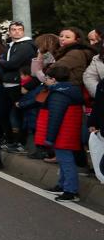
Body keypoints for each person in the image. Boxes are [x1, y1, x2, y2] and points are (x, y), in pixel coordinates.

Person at [38, 65, 84, 202]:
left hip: (62, 131)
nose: (45, 80)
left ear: (53, 79)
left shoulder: (58, 94)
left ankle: (71, 191)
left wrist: (49, 138)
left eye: (47, 78)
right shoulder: (72, 89)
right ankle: (62, 185)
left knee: (66, 161)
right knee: (65, 159)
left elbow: (55, 117)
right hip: (69, 129)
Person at [0, 21, 35, 150]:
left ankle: (18, 142)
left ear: (23, 31)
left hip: (18, 84)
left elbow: (13, 63)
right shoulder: (10, 45)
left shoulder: (26, 46)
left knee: (16, 115)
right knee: (5, 114)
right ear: (10, 32)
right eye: (13, 29)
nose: (17, 31)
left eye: (19, 29)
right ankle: (10, 139)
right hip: (7, 83)